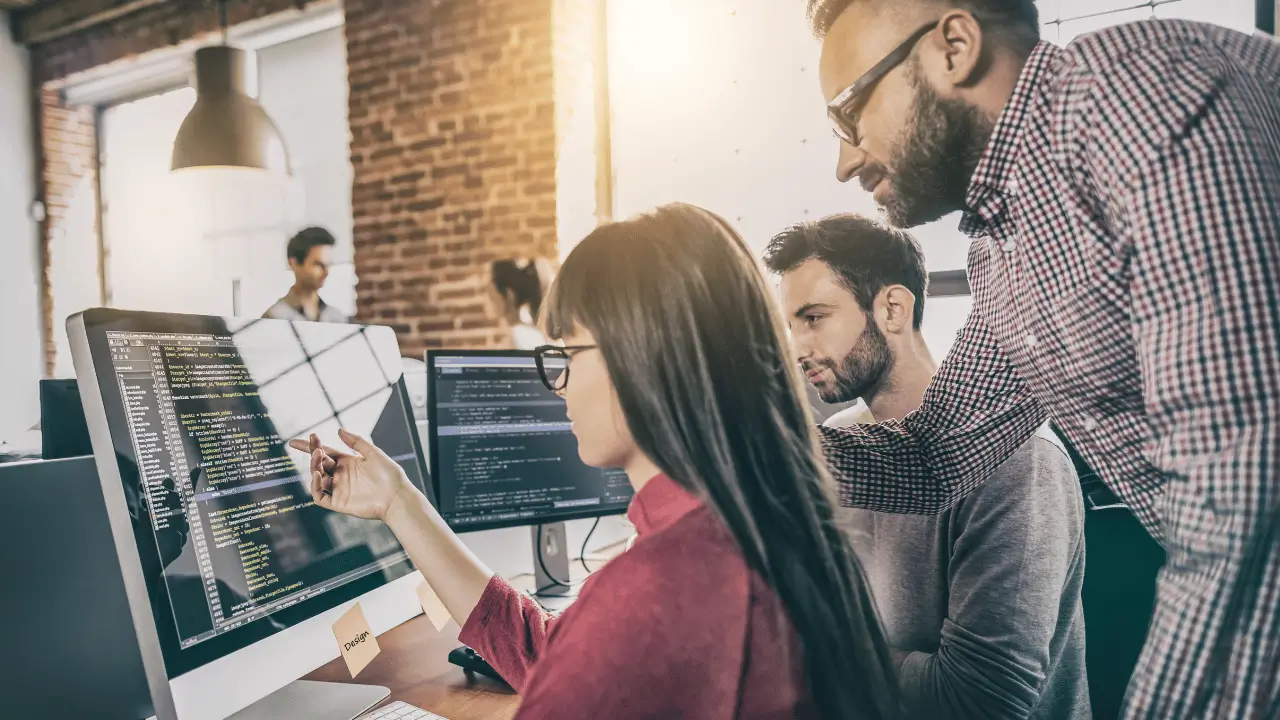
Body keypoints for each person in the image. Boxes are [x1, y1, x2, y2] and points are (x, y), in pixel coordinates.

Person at [804, 1, 1280, 717]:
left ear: (955, 45)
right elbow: (938, 458)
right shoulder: (1003, 247)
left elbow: (1248, 503)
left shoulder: (1149, 100)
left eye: (848, 115)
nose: (845, 162)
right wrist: (742, 440)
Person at [290, 203, 899, 718]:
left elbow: (599, 650)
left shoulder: (658, 591)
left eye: (566, 354)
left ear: (641, 357)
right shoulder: (769, 521)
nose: (556, 385)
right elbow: (556, 655)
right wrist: (399, 502)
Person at [767, 214, 1089, 719]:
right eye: (791, 325)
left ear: (893, 308)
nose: (798, 347)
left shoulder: (1018, 459)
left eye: (813, 318)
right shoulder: (842, 442)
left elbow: (978, 702)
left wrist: (810, 658)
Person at [263, 227, 347, 323]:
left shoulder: (336, 317)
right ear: (294, 264)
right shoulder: (274, 317)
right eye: (318, 265)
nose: (326, 272)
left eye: (328, 265)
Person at [489, 257, 555, 349]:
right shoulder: (528, 333)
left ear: (509, 295)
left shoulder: (517, 336)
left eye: (492, 296)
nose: (488, 301)